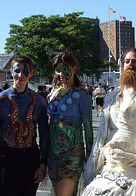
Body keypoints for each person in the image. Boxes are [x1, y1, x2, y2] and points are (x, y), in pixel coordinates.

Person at [82, 48, 136, 196]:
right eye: (127, 61)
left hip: (135, 164)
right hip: (110, 160)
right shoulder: (113, 94)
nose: (130, 64)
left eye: (135, 61)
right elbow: (104, 130)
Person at [0, 55, 49, 196]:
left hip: (30, 157)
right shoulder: (2, 99)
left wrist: (43, 164)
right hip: (5, 158)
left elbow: (44, 135)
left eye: (25, 71)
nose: (20, 75)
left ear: (31, 73)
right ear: (11, 71)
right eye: (17, 70)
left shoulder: (39, 101)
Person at [47, 51, 93, 196]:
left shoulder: (81, 95)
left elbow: (88, 127)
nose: (61, 74)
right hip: (53, 153)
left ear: (74, 69)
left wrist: (89, 154)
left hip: (72, 154)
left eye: (65, 69)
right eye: (58, 70)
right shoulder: (55, 92)